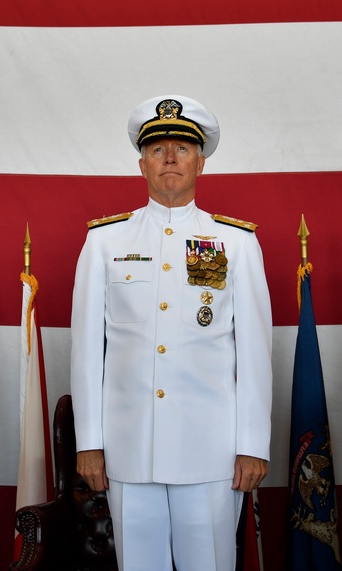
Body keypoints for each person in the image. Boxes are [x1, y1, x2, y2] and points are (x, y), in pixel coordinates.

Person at [70, 95, 273, 571]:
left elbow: (255, 353)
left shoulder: (235, 243)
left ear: (201, 162)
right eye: (158, 148)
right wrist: (89, 442)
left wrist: (252, 445)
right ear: (141, 163)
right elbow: (85, 351)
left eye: (181, 148)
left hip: (212, 452)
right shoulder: (105, 242)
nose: (169, 158)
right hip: (128, 449)